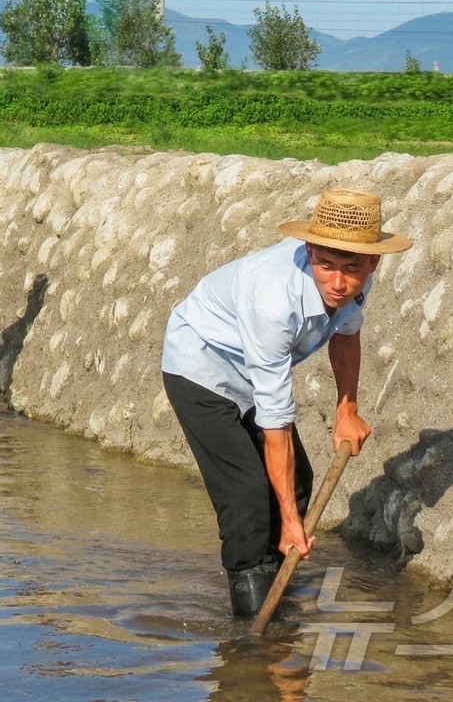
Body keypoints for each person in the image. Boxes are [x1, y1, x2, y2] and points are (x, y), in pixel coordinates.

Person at [160, 187, 412, 617]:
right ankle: (251, 627)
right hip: (200, 364)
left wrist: (346, 409)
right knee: (245, 495)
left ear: (373, 262)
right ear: (310, 250)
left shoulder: (351, 282)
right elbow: (275, 421)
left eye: (352, 269)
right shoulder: (274, 301)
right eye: (325, 265)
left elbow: (347, 333)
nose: (337, 282)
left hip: (252, 367)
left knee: (296, 484)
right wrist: (292, 521)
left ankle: (275, 578)